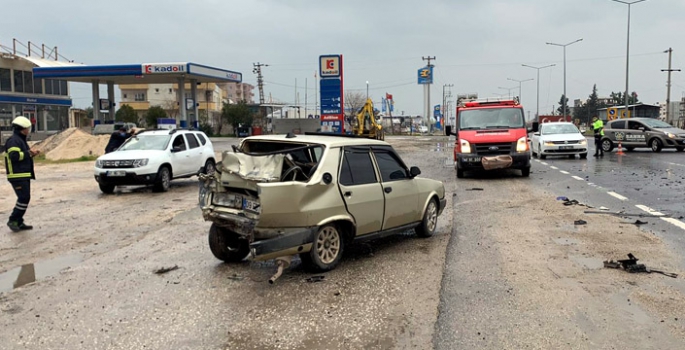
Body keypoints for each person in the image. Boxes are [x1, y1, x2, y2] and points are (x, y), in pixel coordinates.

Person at [4, 116, 39, 232]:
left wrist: (30, 154)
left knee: (25, 198)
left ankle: (19, 221)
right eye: (27, 128)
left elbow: (22, 155)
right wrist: (29, 153)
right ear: (21, 129)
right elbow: (14, 156)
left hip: (23, 174)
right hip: (17, 175)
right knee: (23, 197)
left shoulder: (20, 140)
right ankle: (13, 220)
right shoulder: (14, 141)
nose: (28, 130)